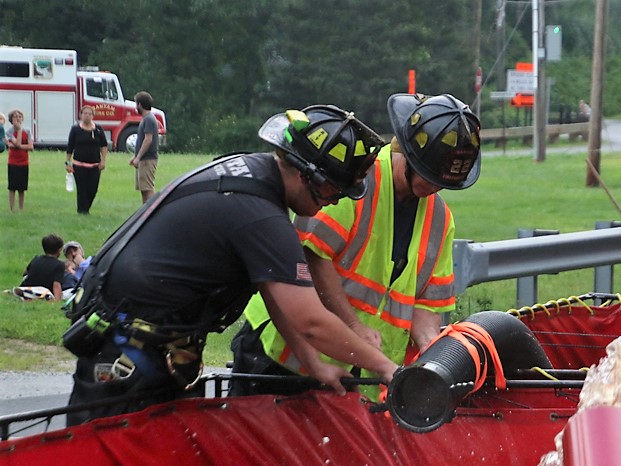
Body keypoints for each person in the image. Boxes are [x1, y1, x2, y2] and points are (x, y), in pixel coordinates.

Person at [64, 104, 400, 426]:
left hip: (153, 343)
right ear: (302, 172)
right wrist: (387, 369)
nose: (335, 199)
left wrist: (312, 363)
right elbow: (311, 320)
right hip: (129, 355)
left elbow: (275, 293)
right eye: (331, 188)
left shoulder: (255, 177)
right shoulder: (260, 216)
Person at [230, 93, 482, 398]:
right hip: (283, 356)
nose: (434, 188)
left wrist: (432, 352)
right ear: (407, 151)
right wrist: (352, 325)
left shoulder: (440, 219)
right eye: (428, 175)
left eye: (443, 182)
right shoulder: (355, 175)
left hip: (355, 376)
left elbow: (428, 305)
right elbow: (312, 254)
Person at [66, 105, 109, 214]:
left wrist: (103, 161)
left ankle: (86, 208)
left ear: (93, 116)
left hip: (95, 166)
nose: (87, 116)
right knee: (82, 189)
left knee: (92, 189)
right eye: (85, 113)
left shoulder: (98, 129)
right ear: (81, 115)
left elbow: (104, 146)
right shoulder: (75, 129)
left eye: (90, 114)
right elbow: (70, 146)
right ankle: (82, 211)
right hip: (79, 165)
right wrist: (68, 163)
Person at [128, 91, 159, 203]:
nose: (136, 106)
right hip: (143, 159)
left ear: (140, 105)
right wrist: (135, 157)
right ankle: (145, 213)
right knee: (143, 190)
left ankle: (151, 212)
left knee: (148, 189)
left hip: (148, 160)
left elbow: (148, 139)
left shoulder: (149, 119)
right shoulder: (146, 119)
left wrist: (138, 157)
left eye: (136, 103)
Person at [19, 234, 65, 301]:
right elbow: (56, 285)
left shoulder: (36, 259)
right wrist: (57, 300)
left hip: (27, 289)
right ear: (59, 250)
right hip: (43, 292)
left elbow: (25, 273)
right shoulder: (59, 265)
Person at [6, 109, 33, 212]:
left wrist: (17, 146)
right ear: (11, 120)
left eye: (19, 117)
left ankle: (21, 208)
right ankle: (12, 208)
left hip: (24, 162)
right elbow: (16, 142)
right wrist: (19, 131)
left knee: (22, 188)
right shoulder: (9, 132)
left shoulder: (28, 131)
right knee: (12, 187)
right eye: (15, 117)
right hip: (13, 162)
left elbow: (30, 146)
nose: (18, 119)